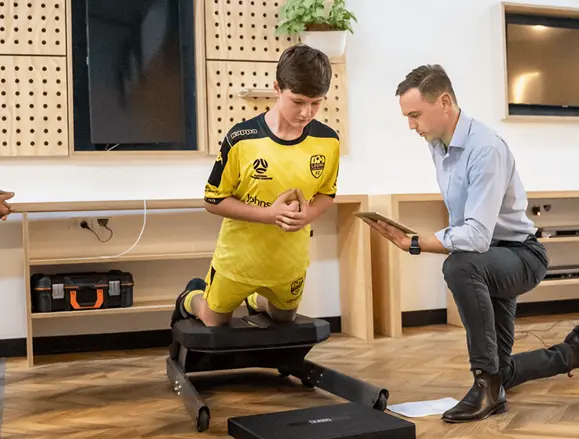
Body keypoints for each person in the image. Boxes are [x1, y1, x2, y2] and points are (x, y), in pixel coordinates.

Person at [365, 64, 579, 423]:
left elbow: (477, 234)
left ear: (444, 101)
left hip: (520, 256)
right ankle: (570, 353)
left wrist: (415, 242)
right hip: (488, 259)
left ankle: (485, 387)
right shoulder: (437, 144)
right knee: (503, 370)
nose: (411, 126)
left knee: (459, 265)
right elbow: (470, 230)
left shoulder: (485, 148)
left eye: (415, 115)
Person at [170, 44, 340, 328]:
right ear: (277, 88)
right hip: (239, 258)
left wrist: (308, 216)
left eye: (316, 102)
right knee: (213, 320)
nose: (307, 112)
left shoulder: (328, 141)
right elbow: (213, 200)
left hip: (289, 260)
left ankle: (254, 300)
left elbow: (327, 193)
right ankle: (191, 296)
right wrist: (271, 215)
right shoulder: (241, 139)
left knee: (283, 318)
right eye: (297, 101)